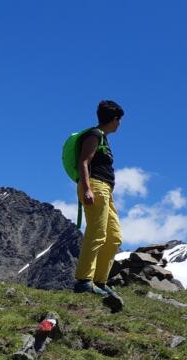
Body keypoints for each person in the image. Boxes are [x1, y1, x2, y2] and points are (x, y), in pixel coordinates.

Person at [72, 100, 125, 312]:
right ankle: (84, 281)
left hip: (106, 190)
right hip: (95, 186)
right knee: (97, 233)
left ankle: (100, 282)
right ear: (113, 119)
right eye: (118, 120)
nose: (119, 124)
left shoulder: (102, 138)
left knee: (114, 237)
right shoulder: (94, 135)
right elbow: (84, 162)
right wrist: (86, 188)